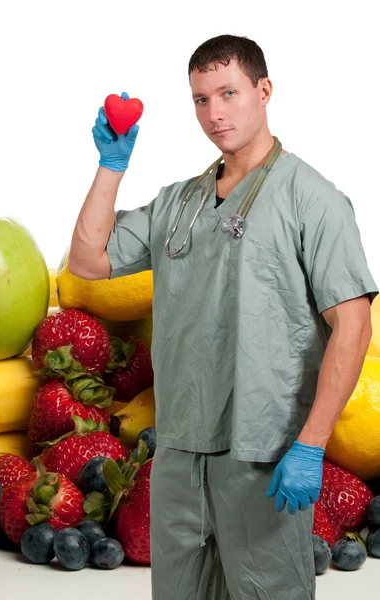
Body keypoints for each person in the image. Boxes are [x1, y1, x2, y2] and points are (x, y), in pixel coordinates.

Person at [68, 34, 379, 600]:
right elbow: (89, 261)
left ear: (264, 91)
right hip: (181, 452)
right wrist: (111, 164)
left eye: (229, 93)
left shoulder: (314, 199)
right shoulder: (177, 202)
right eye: (200, 99)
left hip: (264, 454)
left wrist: (311, 445)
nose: (214, 113)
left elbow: (353, 325)